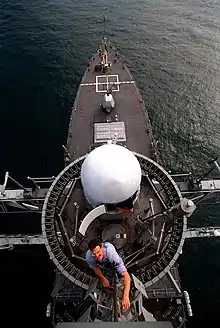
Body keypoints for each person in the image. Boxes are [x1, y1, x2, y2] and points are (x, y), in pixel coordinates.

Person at [86, 238, 131, 311]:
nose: (97, 256)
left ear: (102, 248)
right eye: (94, 254)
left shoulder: (111, 253)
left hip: (113, 257)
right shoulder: (89, 257)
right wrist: (103, 278)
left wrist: (126, 297)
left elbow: (126, 276)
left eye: (98, 252)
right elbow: (95, 268)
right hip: (105, 266)